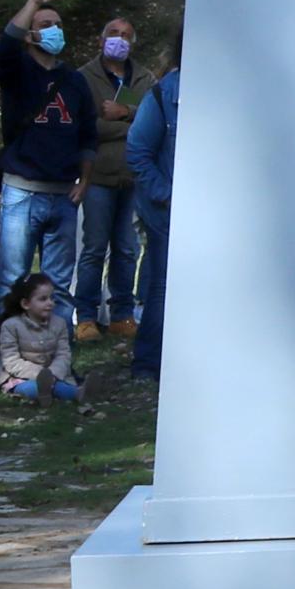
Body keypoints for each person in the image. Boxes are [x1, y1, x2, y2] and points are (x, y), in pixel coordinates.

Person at [0, 0, 101, 303]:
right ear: (30, 35)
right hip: (22, 192)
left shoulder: (75, 80)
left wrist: (85, 179)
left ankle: (58, 349)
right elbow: (6, 43)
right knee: (13, 278)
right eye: (45, 23)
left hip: (64, 195)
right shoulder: (17, 72)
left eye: (58, 23)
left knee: (59, 284)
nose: (54, 29)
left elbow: (88, 133)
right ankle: (9, 350)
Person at [73, 12, 147, 330]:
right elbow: (86, 127)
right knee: (94, 248)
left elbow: (153, 122)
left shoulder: (145, 79)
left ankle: (121, 314)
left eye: (126, 34)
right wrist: (132, 124)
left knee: (127, 249)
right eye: (113, 32)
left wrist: (124, 112)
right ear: (101, 40)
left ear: (132, 43)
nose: (119, 38)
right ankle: (86, 316)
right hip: (97, 178)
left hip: (133, 178)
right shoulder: (83, 78)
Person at [124, 52, 182, 383]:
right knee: (162, 285)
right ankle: (147, 364)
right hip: (168, 212)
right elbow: (138, 151)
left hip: (219, 211)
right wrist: (169, 195)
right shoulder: (163, 94)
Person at [0, 267, 83, 406]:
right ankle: (43, 395)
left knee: (61, 387)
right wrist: (41, 374)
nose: (50, 303)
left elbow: (63, 354)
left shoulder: (59, 323)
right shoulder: (10, 326)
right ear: (25, 304)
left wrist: (53, 374)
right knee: (30, 388)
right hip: (21, 376)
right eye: (43, 299)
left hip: (55, 376)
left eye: (51, 298)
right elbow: (11, 360)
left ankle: (78, 393)